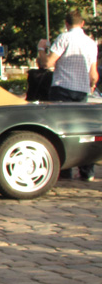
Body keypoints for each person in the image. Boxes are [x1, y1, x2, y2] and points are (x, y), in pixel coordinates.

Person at [47, 11, 98, 180]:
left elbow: (48, 62)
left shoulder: (64, 38)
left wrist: (41, 50)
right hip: (82, 90)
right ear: (82, 23)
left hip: (62, 87)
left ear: (66, 23)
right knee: (83, 131)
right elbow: (94, 75)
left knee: (60, 129)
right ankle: (87, 171)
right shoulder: (91, 43)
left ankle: (64, 169)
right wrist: (91, 85)